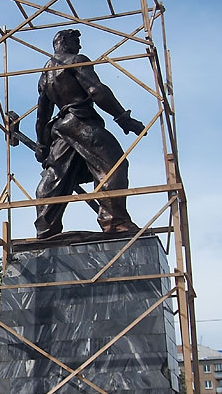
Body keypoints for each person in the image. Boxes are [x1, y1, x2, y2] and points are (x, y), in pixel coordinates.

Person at [33, 29, 146, 239]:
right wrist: (123, 118)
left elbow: (42, 115)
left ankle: (45, 227)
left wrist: (42, 145)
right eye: (76, 40)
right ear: (63, 42)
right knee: (114, 165)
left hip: (62, 128)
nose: (79, 46)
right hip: (81, 122)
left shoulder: (45, 75)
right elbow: (96, 91)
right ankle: (115, 222)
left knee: (56, 175)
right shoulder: (76, 61)